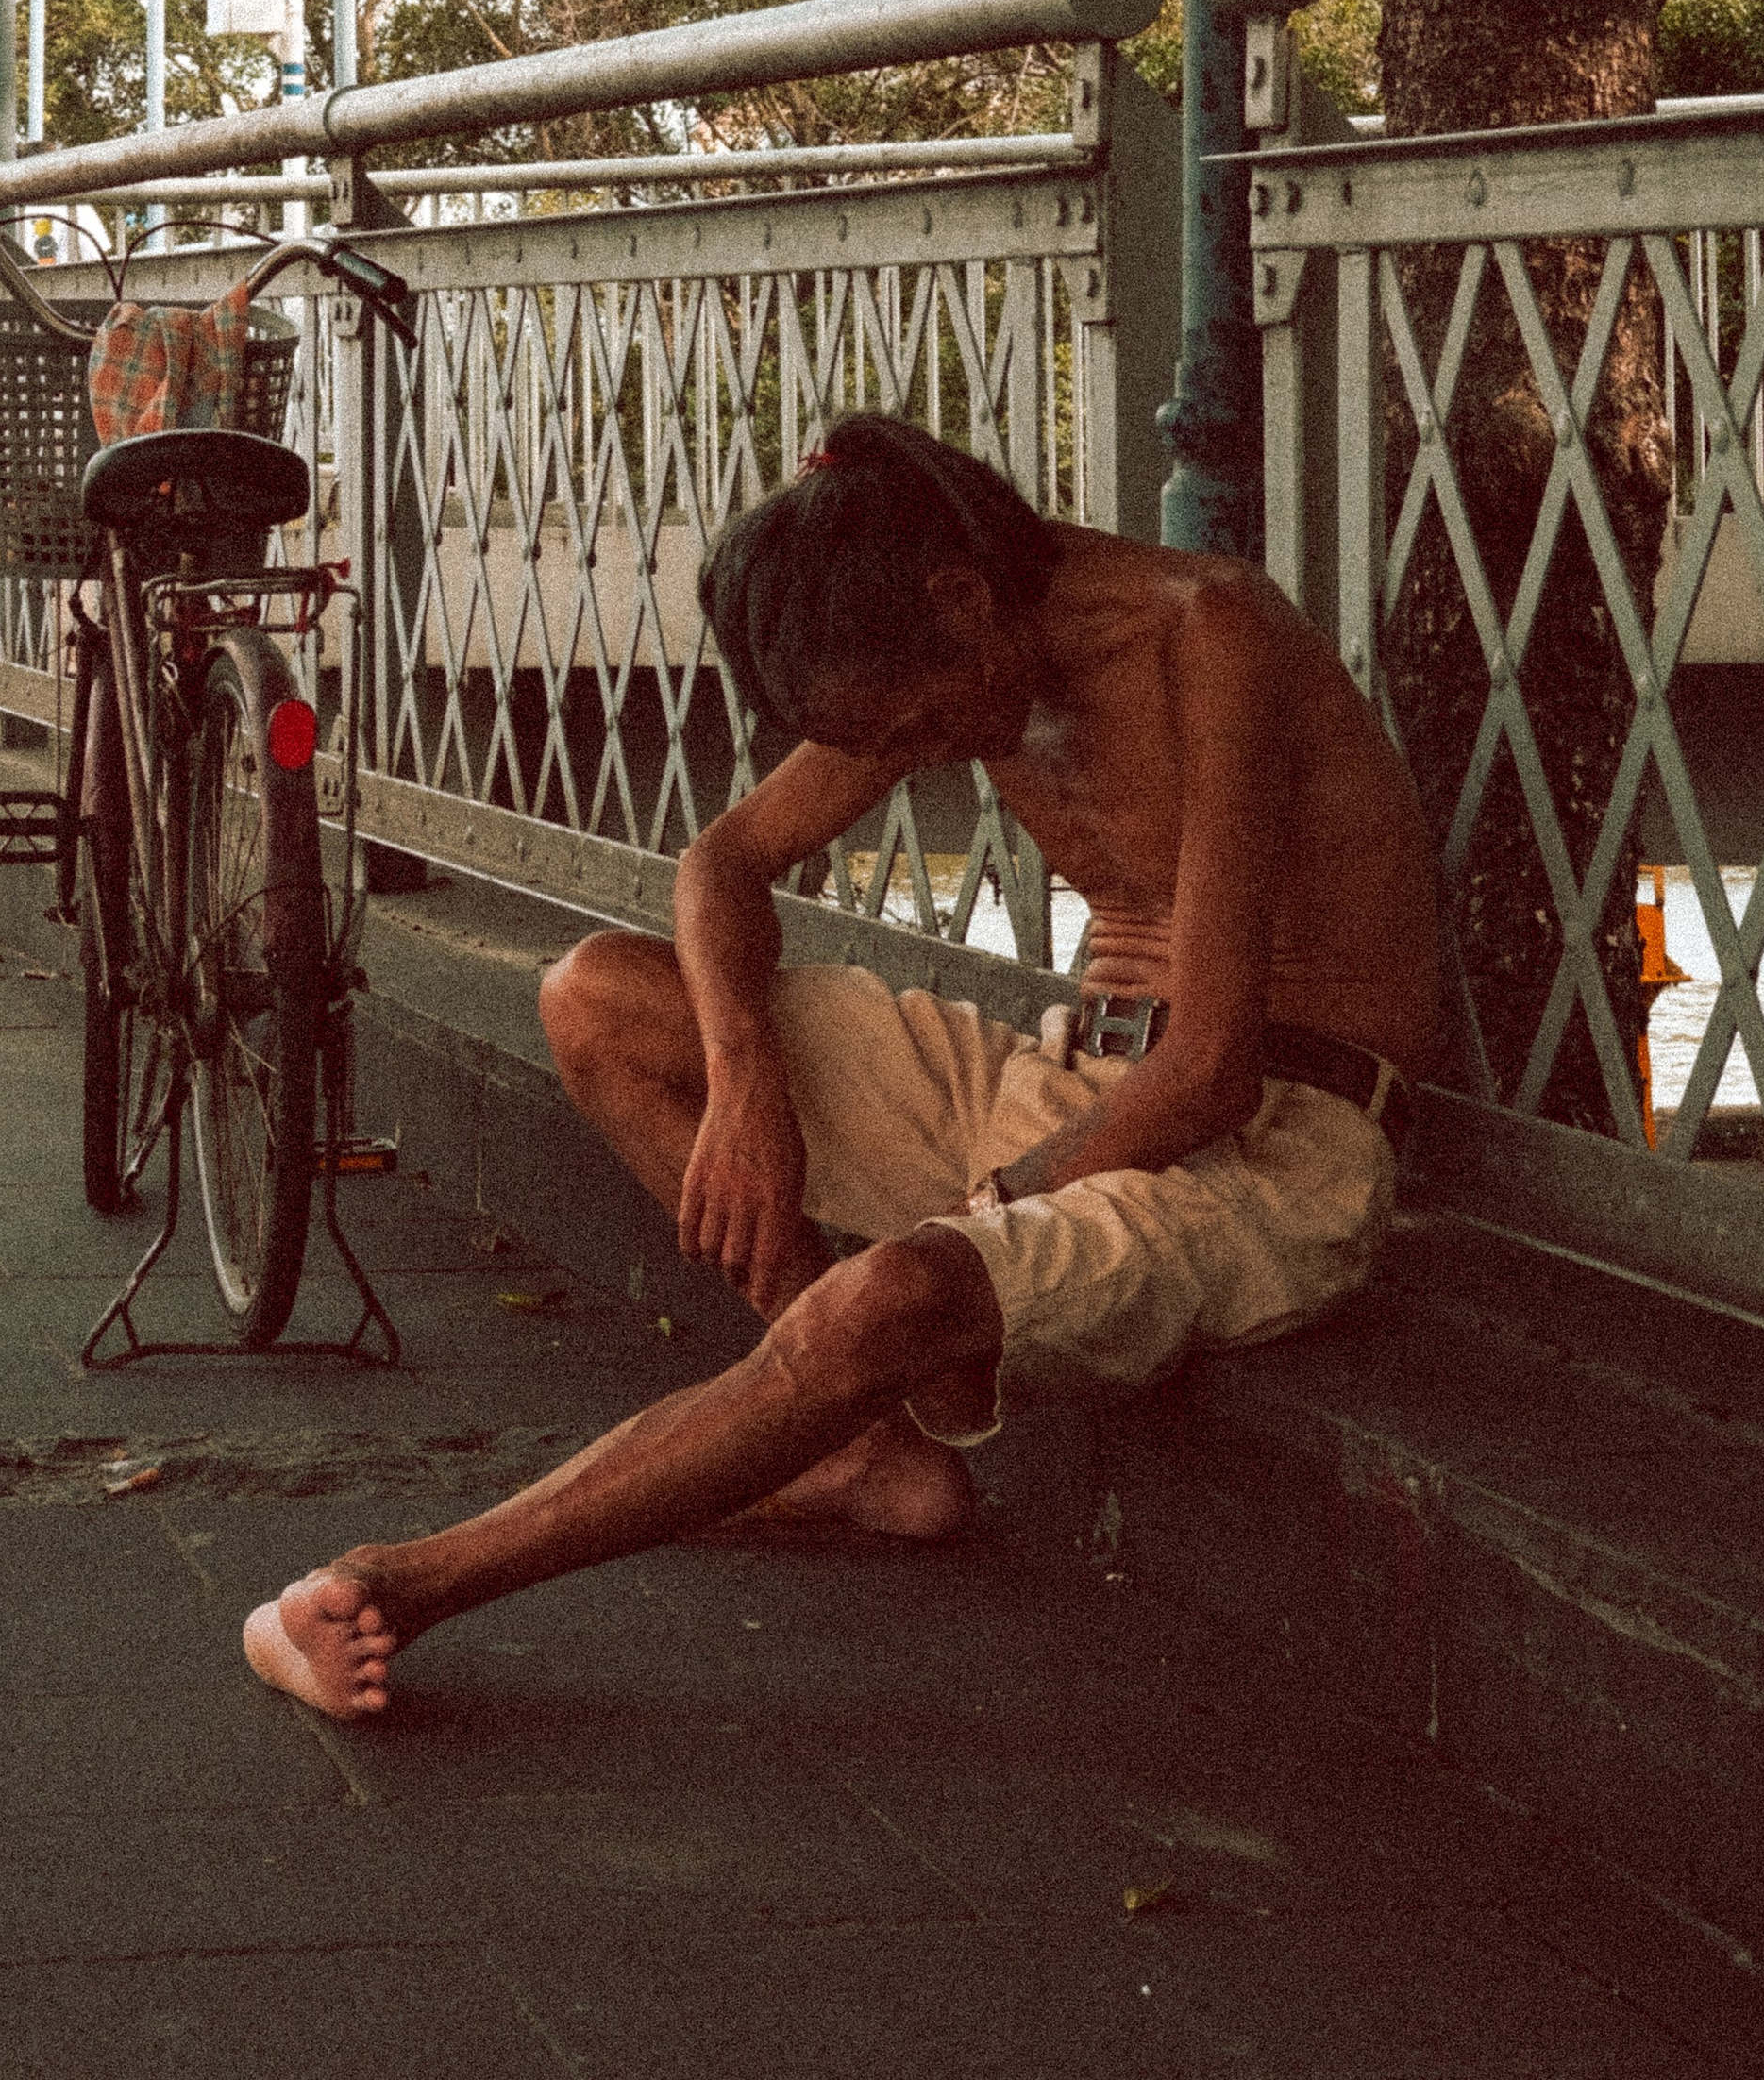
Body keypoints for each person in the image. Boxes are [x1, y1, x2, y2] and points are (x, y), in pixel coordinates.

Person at [243, 410, 1440, 1720]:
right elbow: (722, 862)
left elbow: (1209, 1067)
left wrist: (989, 1210)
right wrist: (746, 1085)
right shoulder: (956, 639)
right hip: (1068, 1077)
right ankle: (870, 1453)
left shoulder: (1209, 632)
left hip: (1269, 1145)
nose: (923, 758)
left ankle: (397, 1586)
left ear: (962, 598)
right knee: (598, 998)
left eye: (920, 725)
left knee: (890, 1298)